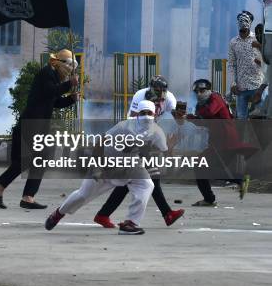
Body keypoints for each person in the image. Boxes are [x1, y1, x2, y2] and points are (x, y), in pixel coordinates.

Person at [45, 101, 166, 235]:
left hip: (129, 166)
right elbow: (100, 142)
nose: (146, 116)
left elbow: (161, 150)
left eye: (150, 113)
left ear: (155, 115)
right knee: (83, 195)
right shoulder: (124, 127)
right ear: (137, 115)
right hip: (105, 164)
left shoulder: (157, 132)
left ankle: (130, 223)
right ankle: (58, 213)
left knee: (147, 184)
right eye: (143, 113)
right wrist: (97, 167)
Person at [0, 49, 78, 210]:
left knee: (29, 161)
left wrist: (71, 99)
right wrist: (68, 85)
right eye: (69, 65)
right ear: (61, 63)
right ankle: (20, 194)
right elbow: (49, 91)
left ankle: (8, 191)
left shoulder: (55, 78)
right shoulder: (46, 73)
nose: (70, 70)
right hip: (31, 124)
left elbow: (55, 101)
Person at [93, 76, 184, 228]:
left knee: (131, 179)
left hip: (149, 135)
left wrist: (181, 118)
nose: (160, 94)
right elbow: (132, 121)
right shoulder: (140, 96)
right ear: (151, 89)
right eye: (157, 91)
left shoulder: (169, 98)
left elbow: (177, 118)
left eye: (163, 91)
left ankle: (103, 214)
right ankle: (166, 213)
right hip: (131, 137)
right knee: (149, 176)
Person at [186, 79, 251, 206]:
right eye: (197, 92)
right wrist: (187, 117)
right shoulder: (201, 104)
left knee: (201, 167)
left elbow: (210, 112)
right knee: (202, 168)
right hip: (217, 143)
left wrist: (193, 116)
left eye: (202, 90)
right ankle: (210, 198)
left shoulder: (215, 98)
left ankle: (239, 180)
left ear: (209, 90)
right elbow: (203, 121)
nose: (199, 94)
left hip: (227, 141)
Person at [228, 11, 265, 119]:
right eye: (241, 30)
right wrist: (232, 84)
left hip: (257, 85)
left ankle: (259, 136)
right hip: (241, 87)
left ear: (249, 25)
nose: (243, 31)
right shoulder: (233, 42)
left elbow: (267, 59)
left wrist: (260, 52)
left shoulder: (257, 38)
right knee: (241, 119)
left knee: (259, 117)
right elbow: (231, 64)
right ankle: (241, 136)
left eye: (245, 30)